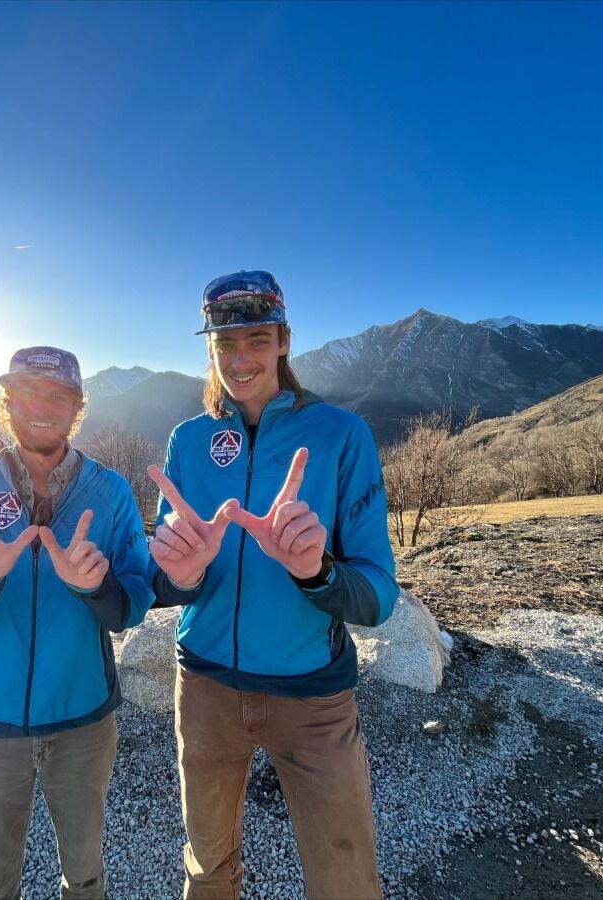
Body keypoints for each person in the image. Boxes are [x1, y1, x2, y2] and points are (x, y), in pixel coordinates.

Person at [147, 270, 399, 899]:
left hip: (312, 699)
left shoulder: (341, 436)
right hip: (204, 687)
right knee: (207, 870)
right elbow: (164, 578)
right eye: (224, 345)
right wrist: (181, 574)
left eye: (256, 340)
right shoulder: (188, 440)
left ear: (284, 340)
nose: (240, 360)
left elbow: (376, 596)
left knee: (345, 878)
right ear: (209, 349)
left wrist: (316, 571)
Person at [0, 345, 154, 900]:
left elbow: (134, 601)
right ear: (7, 403)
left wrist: (97, 587)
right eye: (25, 393)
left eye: (57, 396)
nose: (40, 407)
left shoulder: (112, 493)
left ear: (77, 407)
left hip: (83, 722)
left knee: (85, 872)